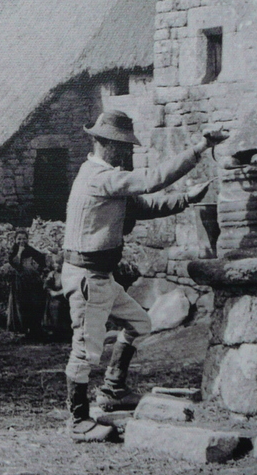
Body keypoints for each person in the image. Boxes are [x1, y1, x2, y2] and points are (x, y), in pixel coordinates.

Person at [60, 110, 227, 441]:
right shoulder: (99, 177)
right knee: (85, 350)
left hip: (102, 276)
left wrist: (186, 198)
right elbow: (153, 180)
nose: (125, 152)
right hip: (86, 278)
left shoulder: (109, 177)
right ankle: (78, 421)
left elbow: (143, 206)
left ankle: (112, 389)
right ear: (105, 143)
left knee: (140, 324)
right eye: (122, 146)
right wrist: (200, 148)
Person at [6, 231, 47, 340]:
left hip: (32, 280)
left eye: (24, 239)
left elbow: (41, 258)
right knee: (21, 303)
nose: (21, 241)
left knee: (33, 302)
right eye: (19, 239)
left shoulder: (30, 249)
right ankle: (22, 328)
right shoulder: (13, 251)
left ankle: (34, 329)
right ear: (15, 240)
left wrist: (39, 269)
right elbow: (15, 264)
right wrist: (19, 252)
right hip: (19, 281)